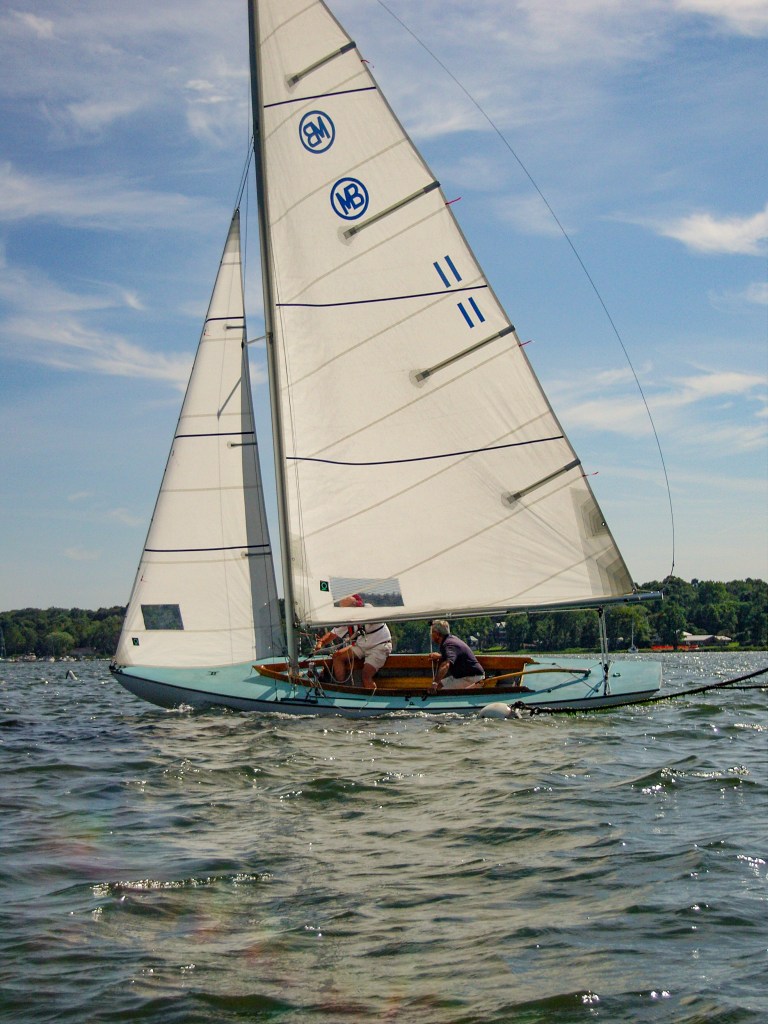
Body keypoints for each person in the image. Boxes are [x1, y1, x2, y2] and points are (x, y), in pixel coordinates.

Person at [314, 594, 392, 689]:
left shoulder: (368, 609)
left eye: (345, 609)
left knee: (366, 675)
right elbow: (333, 634)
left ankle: (373, 700)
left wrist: (355, 615)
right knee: (337, 656)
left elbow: (370, 617)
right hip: (362, 646)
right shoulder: (348, 618)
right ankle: (341, 689)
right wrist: (321, 643)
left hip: (379, 647)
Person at [429, 620, 485, 690]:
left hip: (471, 678)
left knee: (440, 692)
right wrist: (441, 656)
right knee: (439, 686)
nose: (430, 635)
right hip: (464, 676)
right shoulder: (450, 640)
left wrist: (434, 683)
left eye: (432, 632)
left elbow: (446, 665)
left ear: (437, 634)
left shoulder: (449, 644)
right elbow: (454, 655)